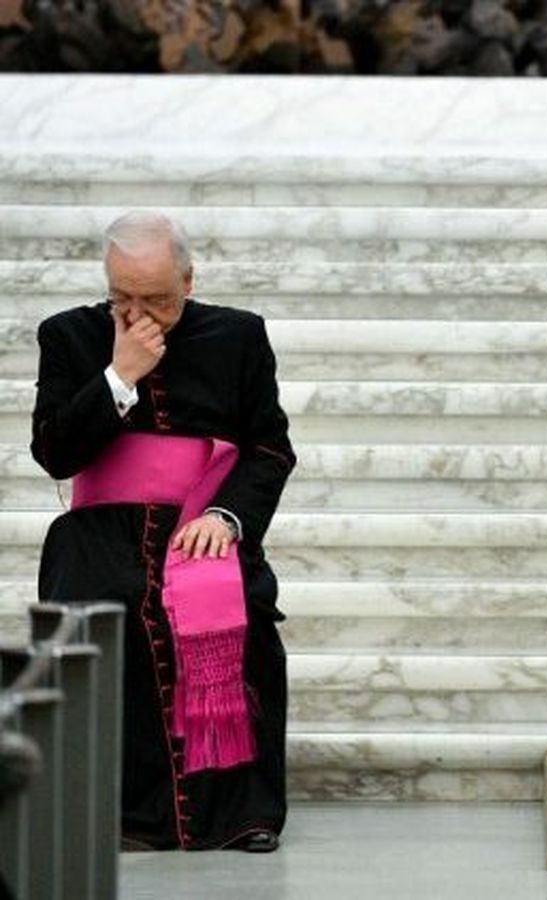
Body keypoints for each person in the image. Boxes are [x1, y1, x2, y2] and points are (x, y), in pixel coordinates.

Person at [32, 211, 296, 852]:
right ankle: (118, 814)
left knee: (243, 622)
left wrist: (225, 518)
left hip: (203, 522)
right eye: (122, 297)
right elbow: (54, 453)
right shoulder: (69, 336)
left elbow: (270, 449)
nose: (139, 312)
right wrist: (119, 375)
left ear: (188, 278)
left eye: (157, 299)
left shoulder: (238, 336)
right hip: (99, 530)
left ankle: (239, 814)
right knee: (105, 613)